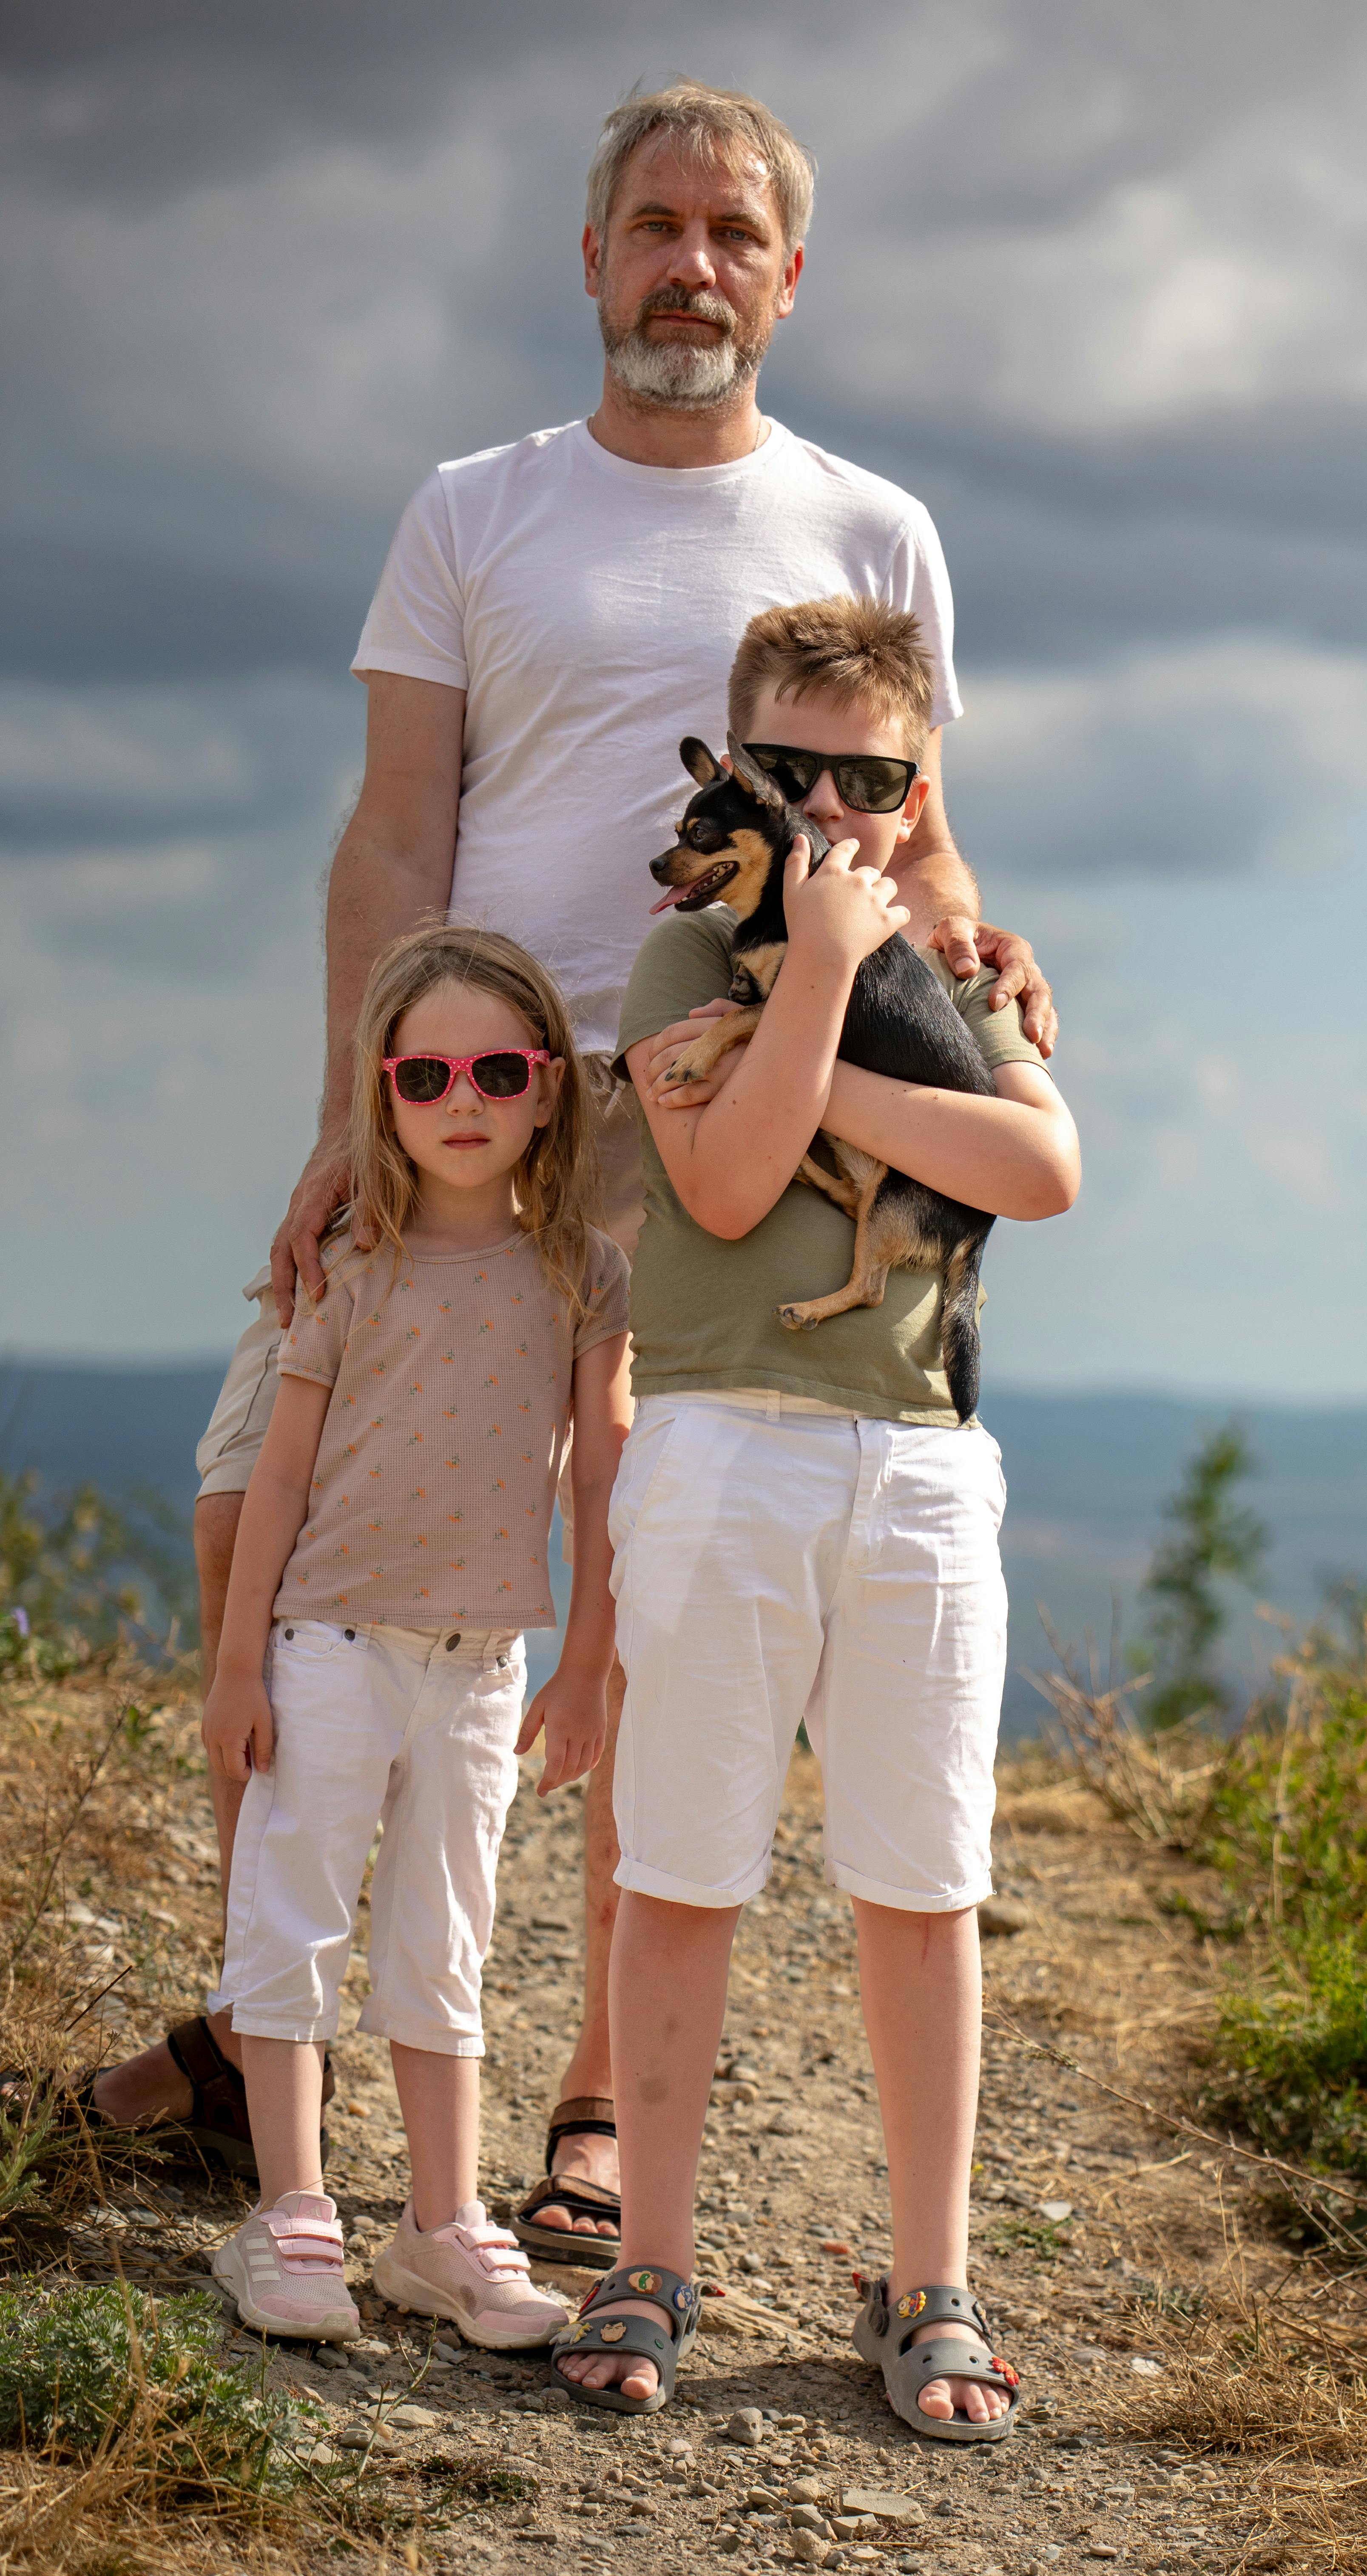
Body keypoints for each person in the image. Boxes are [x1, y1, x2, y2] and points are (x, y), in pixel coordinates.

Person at [89, 80, 1056, 2249]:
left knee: (649, 1577)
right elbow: (392, 831)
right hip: (472, 1079)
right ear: (593, 257)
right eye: (654, 225)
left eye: (733, 234)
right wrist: (354, 1110)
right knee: (264, 1508)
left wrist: (989, 954)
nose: (689, 265)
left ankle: (593, 2107)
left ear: (789, 279)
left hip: (737, 1088)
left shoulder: (875, 527)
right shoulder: (472, 509)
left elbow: (919, 836)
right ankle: (269, 2027)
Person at [551, 595, 1079, 2440]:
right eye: (795, 772)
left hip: (919, 1459)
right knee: (683, 1867)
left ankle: (932, 2282)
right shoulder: (683, 962)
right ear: (746, 774)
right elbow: (723, 1183)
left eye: (876, 780)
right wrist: (825, 980)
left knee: (924, 1884)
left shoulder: (961, 971)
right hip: (722, 1448)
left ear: (919, 793)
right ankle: (652, 2259)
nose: (834, 808)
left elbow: (1042, 1166)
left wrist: (835, 1006)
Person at [200, 927, 630, 2346]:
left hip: (481, 1669)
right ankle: (292, 2212)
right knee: (293, 1917)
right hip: (325, 1647)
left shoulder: (583, 1274)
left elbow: (602, 1479)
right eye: (426, 1074)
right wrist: (237, 1664)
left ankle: (440, 2228)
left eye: (498, 1071)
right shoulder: (351, 1266)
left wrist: (585, 1663)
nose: (463, 1100)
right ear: (382, 1094)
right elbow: (277, 1477)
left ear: (548, 1089)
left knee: (445, 1941)